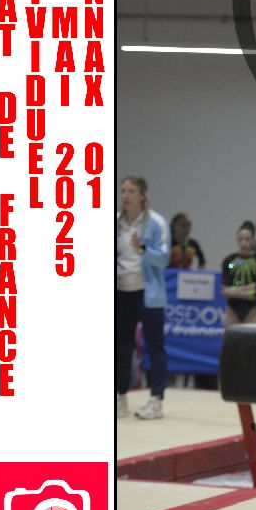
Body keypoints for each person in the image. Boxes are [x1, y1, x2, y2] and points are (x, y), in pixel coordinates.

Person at [116, 176, 170, 420]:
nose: (126, 196)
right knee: (121, 345)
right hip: (122, 290)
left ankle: (156, 399)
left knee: (154, 345)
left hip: (149, 293)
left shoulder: (156, 223)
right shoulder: (117, 221)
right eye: (123, 191)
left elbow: (164, 259)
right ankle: (120, 397)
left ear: (143, 195)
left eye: (131, 191)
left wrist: (144, 249)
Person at [221, 221, 256, 326]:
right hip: (232, 309)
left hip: (252, 310)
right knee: (231, 336)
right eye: (240, 239)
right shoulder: (231, 263)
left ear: (253, 240)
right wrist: (248, 288)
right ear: (237, 239)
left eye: (247, 239)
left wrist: (233, 291)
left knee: (251, 336)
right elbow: (224, 291)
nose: (243, 243)